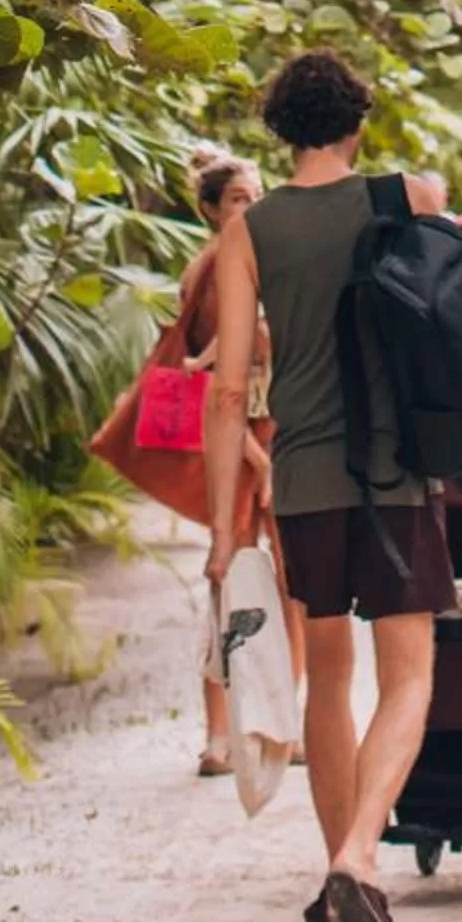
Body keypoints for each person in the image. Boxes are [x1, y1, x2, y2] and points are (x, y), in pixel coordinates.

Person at [205, 52, 453, 922]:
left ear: (282, 130)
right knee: (409, 677)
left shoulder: (249, 231)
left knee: (331, 676)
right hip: (397, 474)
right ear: (356, 123)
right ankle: (360, 858)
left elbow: (230, 390)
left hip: (304, 481)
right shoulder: (408, 199)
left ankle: (334, 871)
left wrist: (225, 530)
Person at [178, 152, 308, 775]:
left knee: (294, 584)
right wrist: (258, 461)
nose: (252, 208)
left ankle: (289, 722)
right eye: (237, 199)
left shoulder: (277, 263)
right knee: (226, 578)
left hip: (280, 429)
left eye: (258, 196)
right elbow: (207, 383)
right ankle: (219, 733)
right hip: (232, 439)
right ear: (210, 209)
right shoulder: (205, 272)